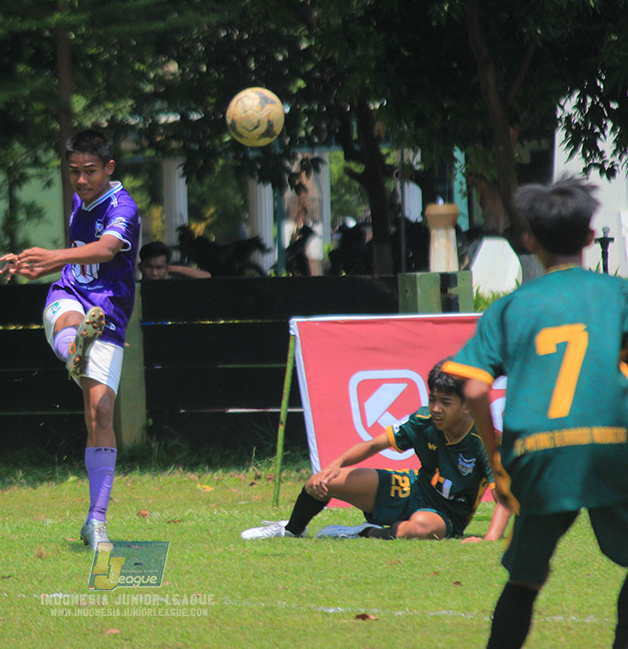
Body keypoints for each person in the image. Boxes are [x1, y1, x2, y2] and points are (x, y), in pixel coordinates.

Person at [442, 176, 628, 649]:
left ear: (529, 241)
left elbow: (475, 388)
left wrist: (496, 454)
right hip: (612, 445)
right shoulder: (618, 295)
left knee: (524, 580)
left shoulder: (509, 308)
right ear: (590, 238)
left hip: (538, 449)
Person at [0, 129, 140, 551]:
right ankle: (74, 349)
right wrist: (35, 265)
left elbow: (107, 249)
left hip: (110, 316)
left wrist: (53, 256)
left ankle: (95, 520)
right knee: (72, 324)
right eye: (74, 171)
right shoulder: (80, 199)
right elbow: (79, 255)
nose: (80, 181)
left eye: (90, 172)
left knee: (100, 413)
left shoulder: (124, 206)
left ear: (109, 168)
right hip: (69, 296)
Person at [241, 360, 511, 541]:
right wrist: (334, 465)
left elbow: (505, 498)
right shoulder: (422, 420)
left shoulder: (486, 440)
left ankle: (364, 533)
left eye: (445, 402)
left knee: (420, 528)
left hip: (447, 515)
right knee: (322, 482)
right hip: (413, 488)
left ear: (467, 405)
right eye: (432, 399)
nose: (436, 408)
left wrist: (489, 540)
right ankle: (291, 531)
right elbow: (373, 445)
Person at [137, 241, 210, 280]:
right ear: (140, 267)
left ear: (167, 268)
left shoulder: (172, 288)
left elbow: (206, 277)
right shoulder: (133, 288)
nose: (154, 273)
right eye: (149, 267)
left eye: (159, 268)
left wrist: (171, 269)